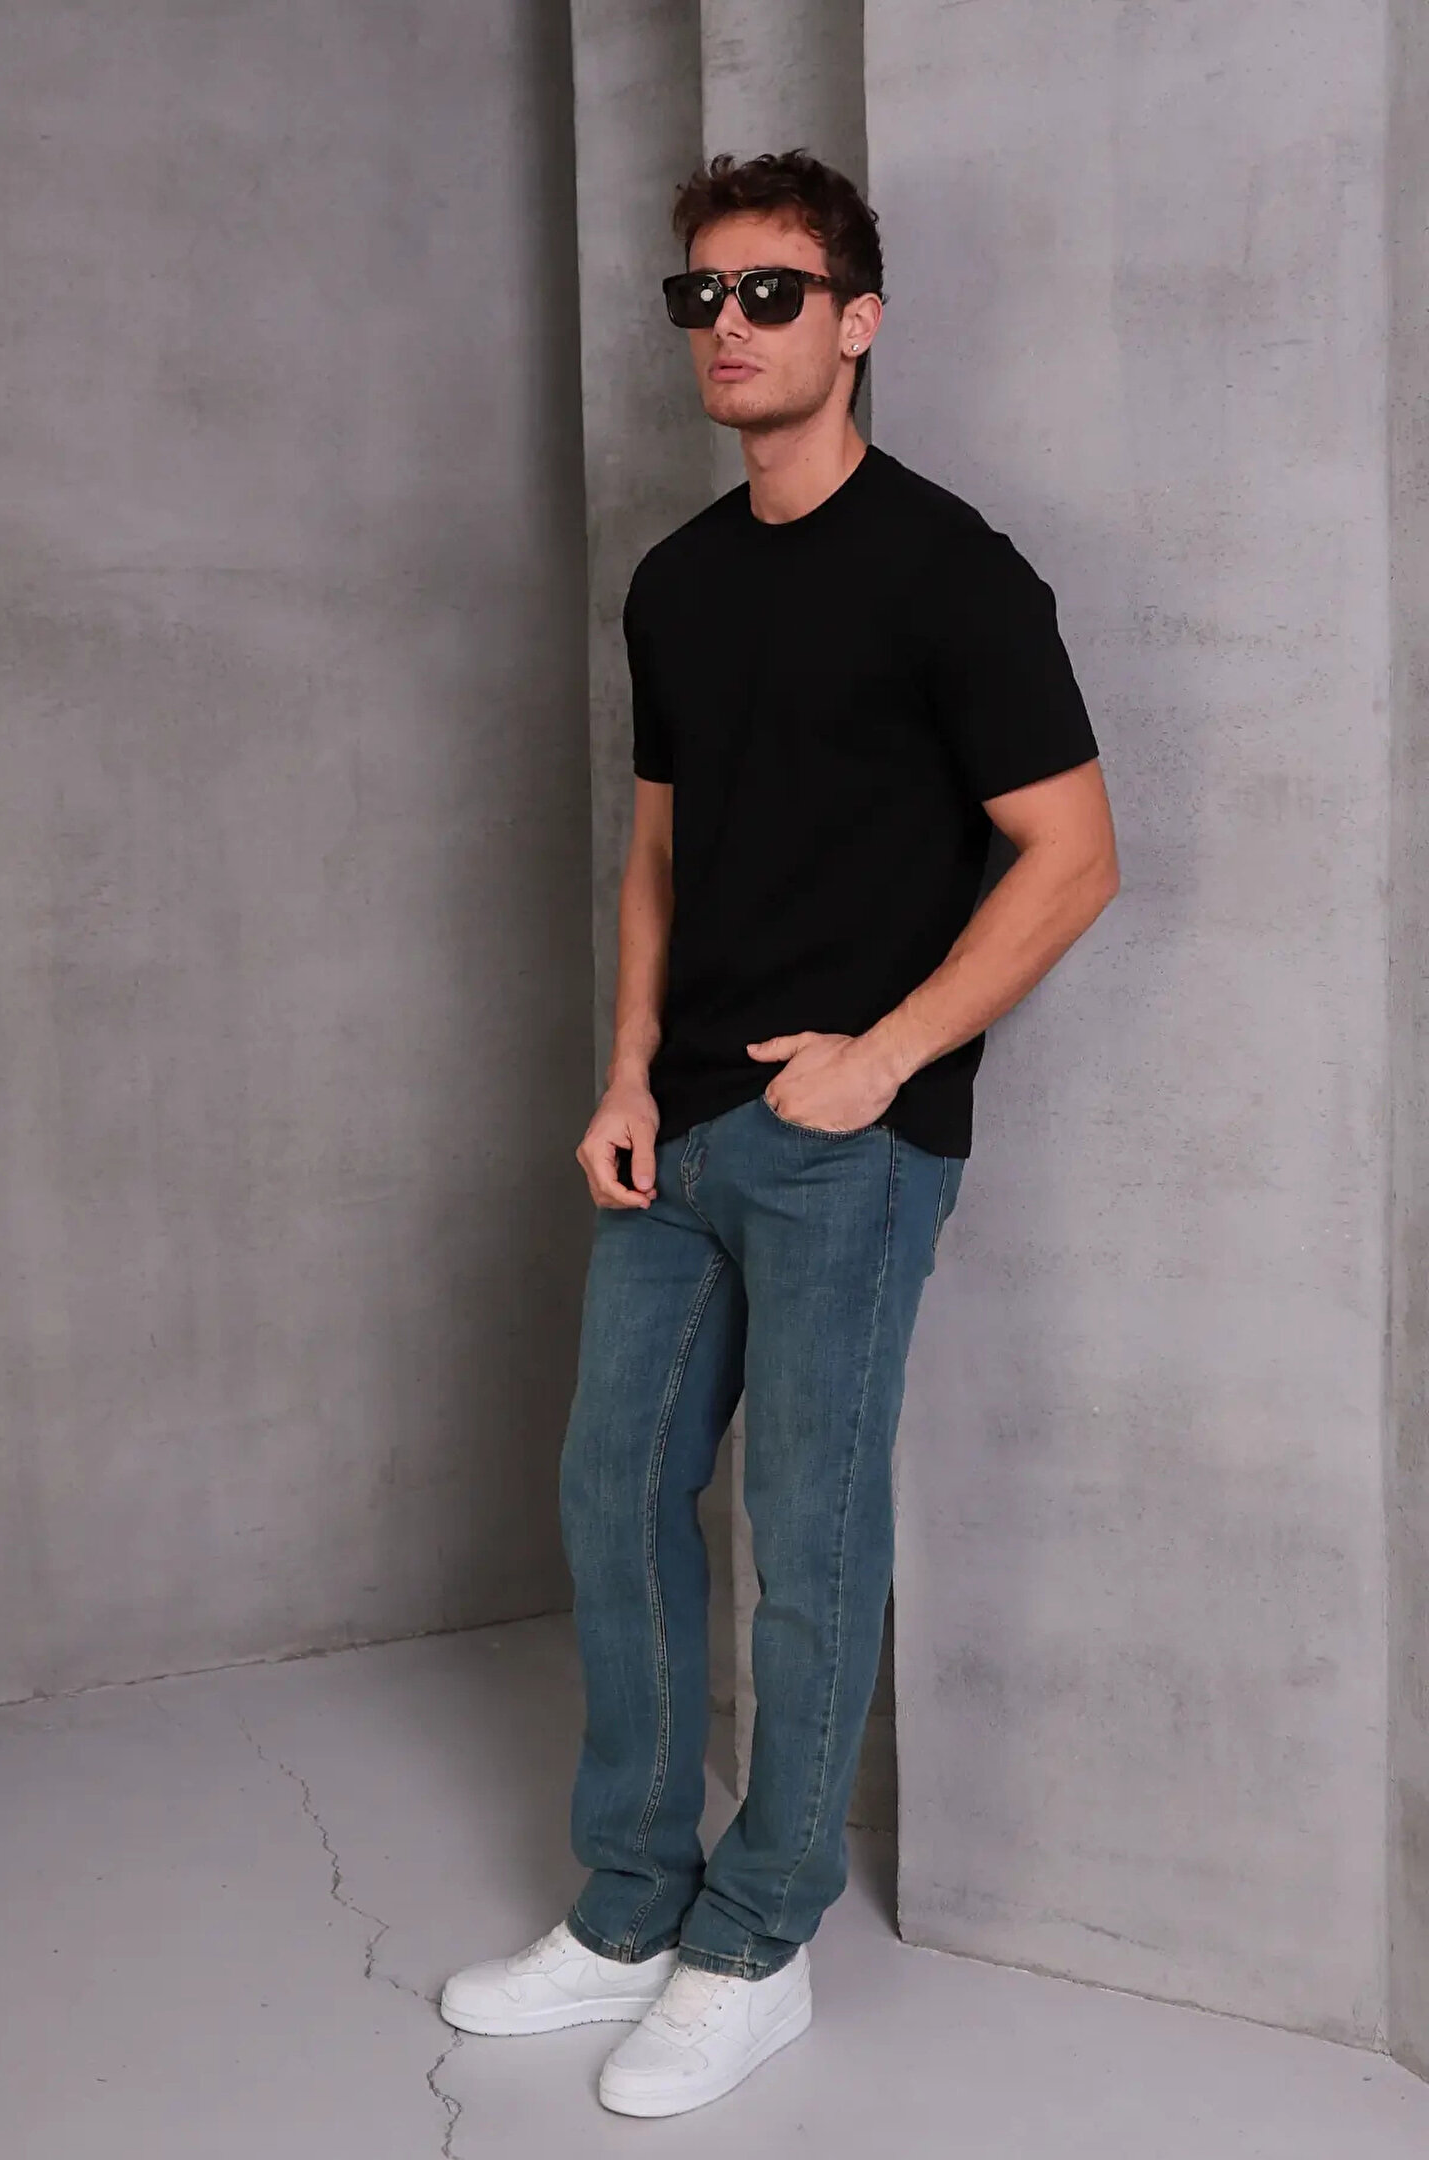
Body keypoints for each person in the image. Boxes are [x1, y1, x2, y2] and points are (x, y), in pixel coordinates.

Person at [439, 148, 1118, 2118]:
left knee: (807, 1542)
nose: (727, 327)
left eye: (770, 292)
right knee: (614, 1495)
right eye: (701, 297)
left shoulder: (951, 570)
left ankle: (756, 1943)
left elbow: (1074, 855)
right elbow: (659, 852)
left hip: (850, 1140)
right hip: (681, 1132)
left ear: (856, 320)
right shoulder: (678, 580)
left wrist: (884, 1058)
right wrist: (624, 1073)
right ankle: (630, 1905)